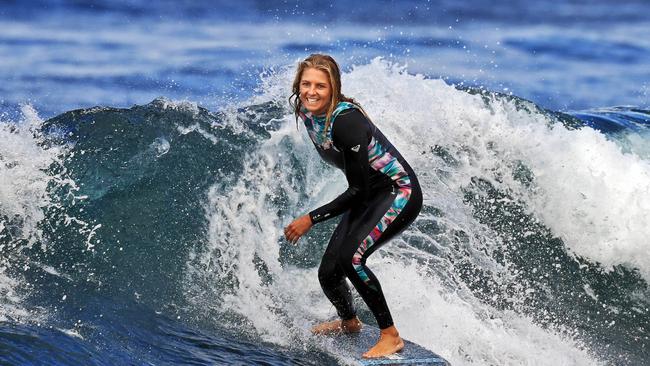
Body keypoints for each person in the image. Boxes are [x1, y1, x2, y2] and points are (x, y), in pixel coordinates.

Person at [283, 54, 423, 359]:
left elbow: (358, 189)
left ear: (334, 88)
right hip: (371, 194)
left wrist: (312, 218)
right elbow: (361, 188)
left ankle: (390, 335)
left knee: (352, 258)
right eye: (306, 84)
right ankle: (349, 322)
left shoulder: (346, 121)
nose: (311, 91)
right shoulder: (306, 111)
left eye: (320, 85)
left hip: (398, 192)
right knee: (329, 273)